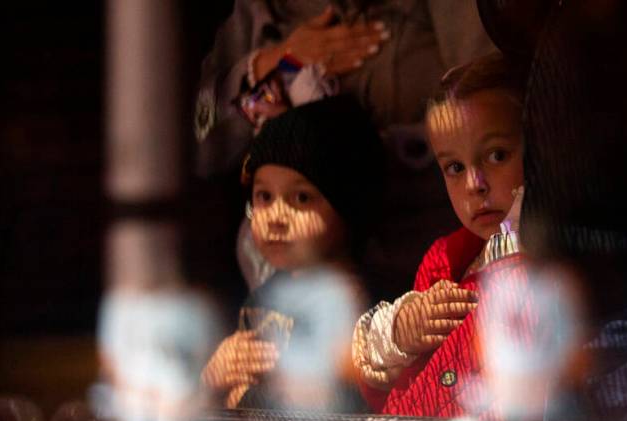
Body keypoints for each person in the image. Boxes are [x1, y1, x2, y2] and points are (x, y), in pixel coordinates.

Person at [195, 1, 498, 297]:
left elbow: (495, 116)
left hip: (426, 250)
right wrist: (271, 66)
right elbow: (190, 146)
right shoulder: (264, 10)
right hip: (292, 268)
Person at [351, 52, 528, 421]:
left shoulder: (544, 266)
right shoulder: (443, 263)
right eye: (454, 167)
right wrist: (400, 331)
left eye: (497, 155)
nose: (474, 184)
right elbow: (389, 381)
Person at [201, 96, 384, 409]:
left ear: (349, 208)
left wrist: (246, 397)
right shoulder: (263, 299)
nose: (276, 216)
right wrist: (213, 378)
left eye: (301, 198)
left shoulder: (366, 306)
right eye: (264, 196)